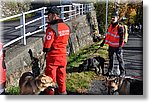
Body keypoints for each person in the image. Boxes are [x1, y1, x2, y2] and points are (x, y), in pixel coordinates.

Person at [43, 6, 70, 95]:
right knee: (62, 77)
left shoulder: (52, 29)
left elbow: (47, 45)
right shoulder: (66, 26)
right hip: (63, 56)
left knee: (50, 79)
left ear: (54, 16)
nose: (47, 17)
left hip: (53, 58)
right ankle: (63, 93)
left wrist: (45, 50)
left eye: (49, 15)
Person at [100, 12, 125, 77]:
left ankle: (122, 73)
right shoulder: (110, 26)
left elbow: (122, 37)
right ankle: (110, 71)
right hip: (111, 46)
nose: (113, 18)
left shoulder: (119, 27)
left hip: (117, 46)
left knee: (120, 59)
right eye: (112, 17)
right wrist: (103, 42)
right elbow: (108, 35)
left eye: (114, 17)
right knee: (111, 59)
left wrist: (120, 46)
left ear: (117, 18)